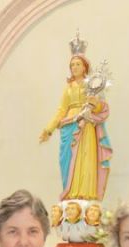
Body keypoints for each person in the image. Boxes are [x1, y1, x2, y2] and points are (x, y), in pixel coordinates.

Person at [39, 52, 112, 201]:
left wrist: (95, 104)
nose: (74, 67)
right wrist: (49, 129)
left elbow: (101, 106)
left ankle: (86, 194)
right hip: (69, 125)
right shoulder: (68, 88)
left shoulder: (92, 84)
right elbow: (61, 110)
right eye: (72, 65)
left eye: (78, 64)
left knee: (86, 158)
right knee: (66, 159)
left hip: (86, 125)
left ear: (85, 67)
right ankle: (70, 193)